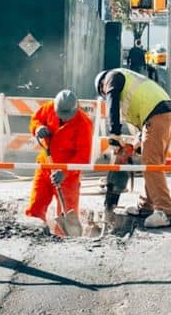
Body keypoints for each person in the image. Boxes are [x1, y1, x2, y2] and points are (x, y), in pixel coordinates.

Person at [95, 68, 171, 227]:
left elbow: (112, 100)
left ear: (102, 86)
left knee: (151, 162)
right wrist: (132, 146)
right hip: (161, 112)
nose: (106, 92)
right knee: (150, 160)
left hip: (157, 113)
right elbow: (142, 130)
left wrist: (114, 133)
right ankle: (146, 206)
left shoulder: (112, 76)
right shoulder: (133, 89)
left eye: (104, 91)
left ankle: (166, 211)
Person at [25, 90, 93, 229]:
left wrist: (64, 172)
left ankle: (64, 242)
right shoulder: (49, 107)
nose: (64, 118)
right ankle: (34, 233)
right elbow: (35, 119)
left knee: (67, 212)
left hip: (68, 176)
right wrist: (38, 128)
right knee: (35, 206)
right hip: (45, 167)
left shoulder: (83, 123)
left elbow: (83, 157)